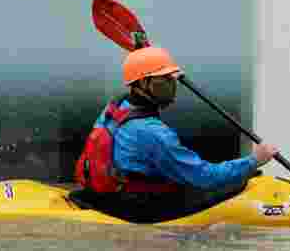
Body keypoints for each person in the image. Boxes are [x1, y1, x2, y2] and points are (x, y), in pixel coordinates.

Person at [70, 46, 278, 223]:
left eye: (172, 78)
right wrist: (254, 160)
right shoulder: (153, 133)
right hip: (136, 209)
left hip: (104, 196)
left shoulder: (116, 105)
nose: (173, 86)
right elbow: (204, 177)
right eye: (165, 79)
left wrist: (145, 59)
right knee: (234, 181)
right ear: (143, 84)